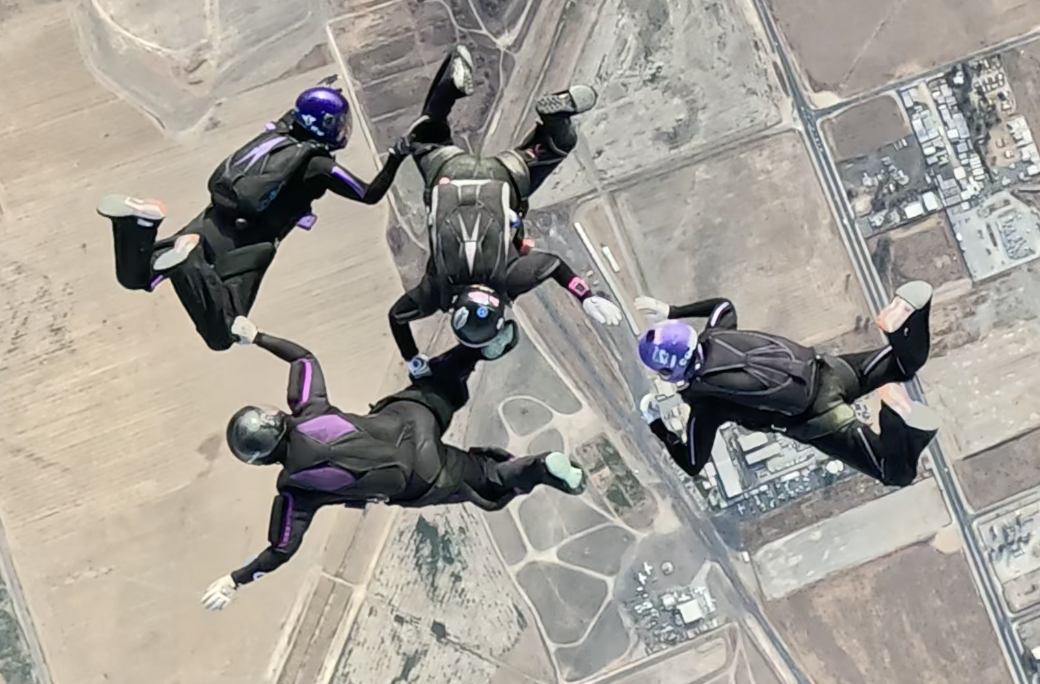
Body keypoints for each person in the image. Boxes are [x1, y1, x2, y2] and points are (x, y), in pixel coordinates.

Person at [199, 316, 586, 611]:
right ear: (274, 420)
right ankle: (478, 348)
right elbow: (303, 358)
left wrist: (235, 581)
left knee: (489, 480)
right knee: (437, 383)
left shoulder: (296, 490)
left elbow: (280, 549)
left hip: (421, 474)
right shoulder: (308, 411)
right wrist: (256, 337)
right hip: (409, 419)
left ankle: (540, 467)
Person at [98, 77, 411, 351]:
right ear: (328, 126)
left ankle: (139, 224)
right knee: (222, 334)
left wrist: (320, 90)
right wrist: (397, 157)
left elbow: (300, 112)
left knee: (137, 276)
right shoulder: (320, 166)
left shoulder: (282, 129)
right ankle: (190, 263)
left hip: (209, 222)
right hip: (248, 245)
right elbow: (369, 194)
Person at [388, 45, 622, 378]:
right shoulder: (436, 293)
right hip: (448, 171)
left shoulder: (509, 282)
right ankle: (452, 83)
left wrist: (586, 297)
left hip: (504, 179)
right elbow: (396, 318)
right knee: (429, 130)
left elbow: (555, 266)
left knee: (557, 145)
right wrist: (412, 359)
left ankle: (555, 121)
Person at [634, 281, 941, 488]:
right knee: (903, 364)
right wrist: (672, 310)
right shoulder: (716, 334)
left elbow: (692, 463)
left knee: (895, 472)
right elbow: (722, 306)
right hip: (828, 370)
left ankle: (896, 420)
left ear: (668, 371)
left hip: (818, 418)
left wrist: (657, 424)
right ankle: (912, 316)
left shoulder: (705, 403)